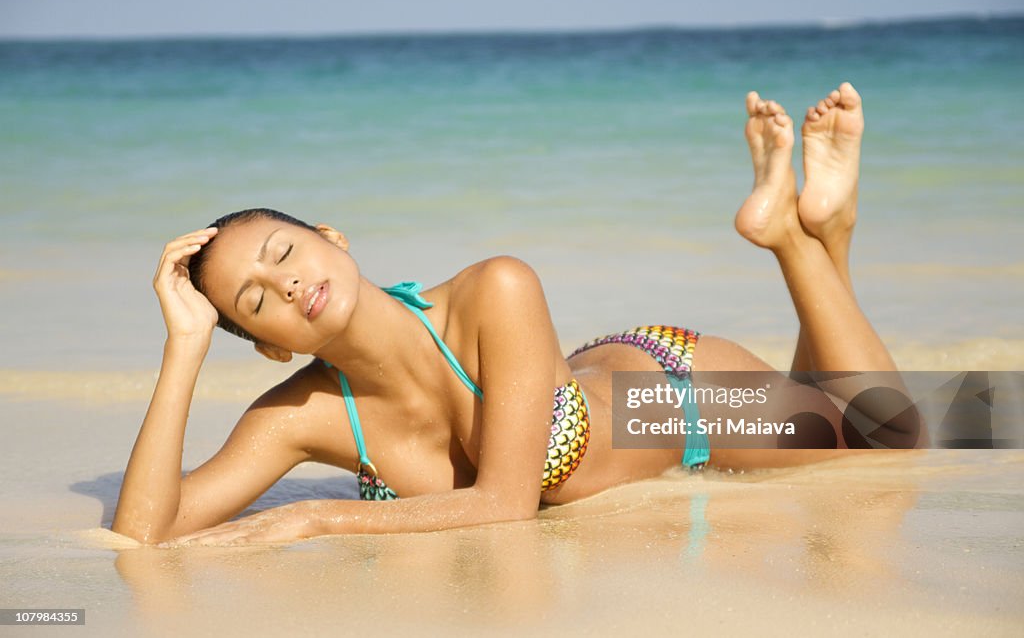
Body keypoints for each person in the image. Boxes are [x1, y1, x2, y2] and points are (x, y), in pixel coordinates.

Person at [112, 83, 923, 547]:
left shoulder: (494, 287)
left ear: (330, 238)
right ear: (268, 348)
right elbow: (144, 532)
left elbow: (506, 501)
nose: (284, 287)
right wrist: (184, 348)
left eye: (283, 255)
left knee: (894, 437)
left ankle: (792, 239)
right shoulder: (301, 416)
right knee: (843, 408)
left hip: (671, 398)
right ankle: (822, 229)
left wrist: (313, 517)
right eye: (254, 302)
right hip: (607, 389)